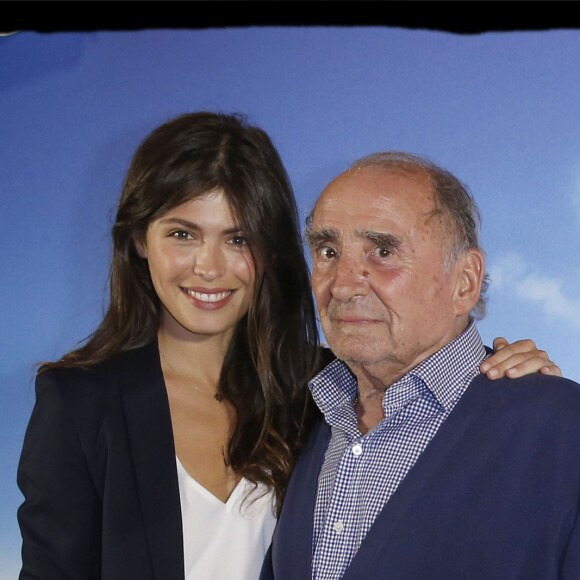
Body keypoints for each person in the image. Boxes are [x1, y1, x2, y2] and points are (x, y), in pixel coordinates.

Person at [16, 113, 558, 580]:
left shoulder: (324, 391)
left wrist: (514, 380)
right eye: (182, 234)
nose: (209, 267)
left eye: (237, 239)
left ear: (272, 251)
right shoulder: (81, 404)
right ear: (139, 241)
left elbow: (436, 387)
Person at [261, 152, 580, 580]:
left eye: (383, 250)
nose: (343, 283)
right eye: (328, 250)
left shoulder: (560, 429)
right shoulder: (304, 419)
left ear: (465, 281)